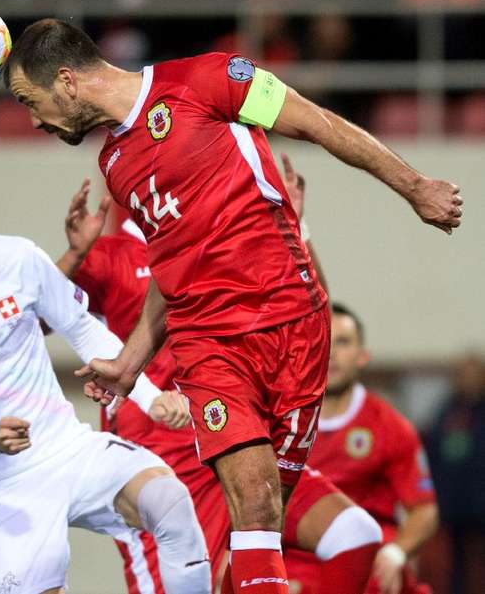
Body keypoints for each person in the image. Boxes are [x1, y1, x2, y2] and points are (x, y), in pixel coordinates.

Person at [4, 18, 462, 594]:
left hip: (294, 322)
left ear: (66, 82)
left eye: (30, 100)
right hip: (209, 344)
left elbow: (316, 122)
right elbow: (171, 270)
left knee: (264, 528)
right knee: (256, 503)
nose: (32, 118)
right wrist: (131, 362)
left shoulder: (208, 79)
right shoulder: (115, 167)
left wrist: (413, 186)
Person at [0, 183, 211, 594]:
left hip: (65, 445)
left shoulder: (17, 258)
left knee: (168, 502)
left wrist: (149, 398)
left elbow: (82, 328)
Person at [56, 158, 381, 594]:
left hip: (238, 431)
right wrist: (76, 255)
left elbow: (313, 303)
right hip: (163, 456)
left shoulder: (227, 238)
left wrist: (295, 226)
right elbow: (37, 316)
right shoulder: (113, 254)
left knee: (353, 534)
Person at [284, 304, 439, 594]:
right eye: (325, 340)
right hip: (297, 559)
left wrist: (397, 553)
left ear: (362, 356)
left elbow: (424, 510)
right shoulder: (282, 422)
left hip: (369, 561)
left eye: (343, 342)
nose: (331, 353)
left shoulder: (389, 427)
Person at [427, 353, 485, 594]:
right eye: (462, 374)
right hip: (454, 500)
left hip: (480, 495)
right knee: (455, 561)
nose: (467, 380)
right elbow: (433, 453)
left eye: (472, 374)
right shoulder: (447, 410)